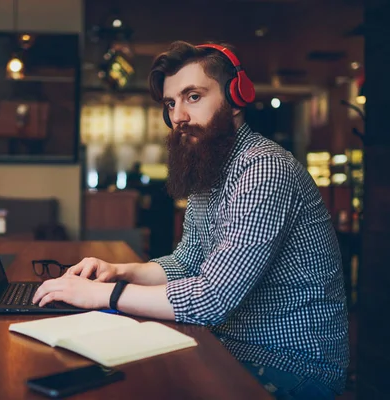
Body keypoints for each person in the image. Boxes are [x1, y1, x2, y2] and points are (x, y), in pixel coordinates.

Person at [33, 41, 349, 399]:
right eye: (171, 103)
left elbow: (213, 296)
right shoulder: (209, 165)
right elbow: (187, 262)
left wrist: (102, 294)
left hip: (292, 365)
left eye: (193, 96)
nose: (178, 116)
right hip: (228, 344)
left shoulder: (264, 168)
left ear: (234, 99)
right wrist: (120, 271)